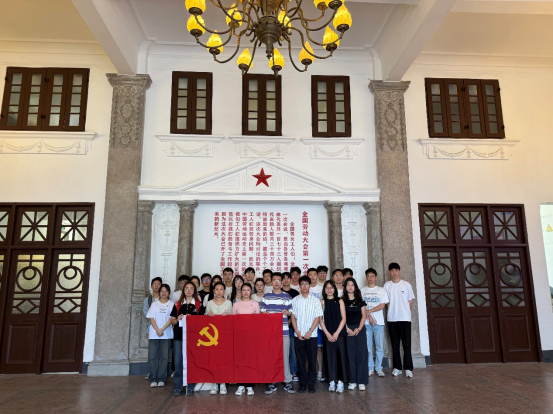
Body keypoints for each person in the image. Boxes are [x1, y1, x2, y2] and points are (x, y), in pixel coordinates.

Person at [260, 272, 295, 395]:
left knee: (285, 356)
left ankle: (287, 381)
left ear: (282, 282)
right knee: (271, 357)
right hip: (270, 333)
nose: (276, 282)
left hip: (284, 331)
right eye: (274, 280)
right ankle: (272, 381)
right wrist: (265, 314)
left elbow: (291, 312)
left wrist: (287, 312)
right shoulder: (266, 296)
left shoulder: (286, 296)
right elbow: (262, 312)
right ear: (271, 282)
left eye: (278, 280)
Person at [170, 281, 204, 396]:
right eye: (187, 288)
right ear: (183, 290)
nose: (189, 290)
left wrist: (193, 319)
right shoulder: (178, 304)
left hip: (193, 338)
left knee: (191, 362)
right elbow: (172, 320)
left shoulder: (199, 305)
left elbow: (203, 322)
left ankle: (190, 385)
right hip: (179, 336)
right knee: (178, 361)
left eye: (191, 288)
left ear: (194, 291)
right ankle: (178, 386)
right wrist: (178, 318)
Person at [290, 276, 323, 394]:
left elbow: (318, 317)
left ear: (310, 286)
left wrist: (310, 331)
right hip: (298, 335)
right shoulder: (295, 300)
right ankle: (303, 384)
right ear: (299, 286)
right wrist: (297, 331)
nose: (304, 286)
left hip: (311, 336)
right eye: (302, 284)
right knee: (300, 360)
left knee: (312, 360)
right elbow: (293, 316)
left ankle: (311, 384)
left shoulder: (315, 300)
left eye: (306, 284)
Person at [383, 262, 415, 379]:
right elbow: (386, 302)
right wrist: (394, 310)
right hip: (392, 319)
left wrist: (403, 311)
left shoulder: (406, 285)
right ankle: (397, 367)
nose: (394, 272)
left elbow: (410, 302)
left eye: (396, 270)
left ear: (399, 271)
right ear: (389, 272)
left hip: (405, 318)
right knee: (394, 344)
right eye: (392, 270)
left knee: (406, 344)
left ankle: (408, 368)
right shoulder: (387, 285)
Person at [319, 280, 348, 393]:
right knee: (329, 357)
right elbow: (320, 319)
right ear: (324, 289)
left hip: (339, 333)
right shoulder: (322, 302)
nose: (329, 290)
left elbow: (344, 318)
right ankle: (331, 381)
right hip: (327, 333)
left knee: (340, 357)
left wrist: (337, 332)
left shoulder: (340, 301)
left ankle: (340, 382)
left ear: (335, 289)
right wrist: (327, 333)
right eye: (327, 287)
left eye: (331, 287)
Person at [232, 283, 260, 396]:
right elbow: (233, 321)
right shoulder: (236, 304)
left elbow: (259, 321)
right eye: (244, 290)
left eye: (248, 290)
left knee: (250, 360)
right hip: (239, 336)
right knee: (240, 360)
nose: (246, 292)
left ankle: (249, 385)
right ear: (241, 291)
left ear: (251, 291)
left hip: (251, 336)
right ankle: (241, 384)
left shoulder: (255, 304)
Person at [361, 268, 389, 378]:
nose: (370, 278)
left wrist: (369, 312)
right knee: (367, 347)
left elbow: (382, 305)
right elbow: (361, 306)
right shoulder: (362, 290)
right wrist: (369, 316)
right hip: (366, 323)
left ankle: (378, 368)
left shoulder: (381, 290)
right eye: (368, 276)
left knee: (379, 347)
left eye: (372, 276)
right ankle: (370, 368)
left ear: (376, 278)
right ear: (366, 278)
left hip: (379, 323)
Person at [206, 282, 232, 395]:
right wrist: (208, 315)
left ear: (224, 291)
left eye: (221, 289)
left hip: (224, 335)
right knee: (213, 359)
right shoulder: (209, 303)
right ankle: (214, 382)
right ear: (213, 291)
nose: (219, 291)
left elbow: (233, 320)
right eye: (217, 289)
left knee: (223, 359)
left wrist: (228, 316)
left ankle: (222, 383)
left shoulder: (229, 303)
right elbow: (204, 320)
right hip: (212, 336)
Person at [343, 278, 368, 391]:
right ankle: (352, 380)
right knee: (350, 355)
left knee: (361, 354)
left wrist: (358, 329)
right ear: (345, 287)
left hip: (359, 329)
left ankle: (361, 380)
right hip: (347, 329)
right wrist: (347, 329)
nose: (350, 287)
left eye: (352, 285)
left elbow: (364, 316)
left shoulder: (360, 301)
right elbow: (341, 317)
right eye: (348, 285)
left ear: (355, 287)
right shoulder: (342, 301)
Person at [146, 283, 174, 388]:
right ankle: (153, 378)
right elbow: (151, 318)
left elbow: (171, 319)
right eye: (162, 291)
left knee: (164, 357)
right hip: (154, 334)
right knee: (152, 357)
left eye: (166, 291)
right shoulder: (154, 304)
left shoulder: (172, 304)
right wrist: (158, 330)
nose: (163, 293)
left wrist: (162, 329)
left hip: (166, 334)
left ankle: (161, 378)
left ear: (169, 293)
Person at [143, 277, 162, 380]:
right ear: (151, 286)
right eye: (154, 284)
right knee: (152, 353)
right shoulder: (147, 300)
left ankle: (160, 373)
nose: (156, 286)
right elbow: (147, 313)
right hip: (152, 329)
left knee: (163, 354)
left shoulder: (165, 299)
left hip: (164, 329)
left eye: (158, 284)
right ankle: (151, 372)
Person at [307, 267, 324, 382]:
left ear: (317, 276)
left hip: (319, 323)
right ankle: (308, 371)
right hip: (307, 323)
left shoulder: (321, 289)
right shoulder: (304, 288)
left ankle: (320, 371)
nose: (312, 277)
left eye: (314, 274)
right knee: (307, 349)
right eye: (310, 274)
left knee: (319, 349)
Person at [282, 272, 299, 382]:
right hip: (280, 327)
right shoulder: (278, 292)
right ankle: (282, 372)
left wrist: (289, 321)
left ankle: (293, 372)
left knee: (292, 350)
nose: (286, 280)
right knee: (282, 351)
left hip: (292, 326)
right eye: (284, 278)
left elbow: (296, 310)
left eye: (288, 278)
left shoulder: (295, 293)